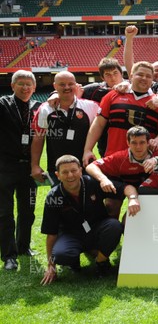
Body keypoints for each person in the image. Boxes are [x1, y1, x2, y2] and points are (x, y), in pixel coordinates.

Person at [40, 155, 140, 284]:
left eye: (74, 170)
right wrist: (51, 266)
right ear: (57, 175)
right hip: (71, 234)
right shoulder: (53, 197)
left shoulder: (93, 183)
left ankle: (101, 261)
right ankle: (73, 259)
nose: (70, 175)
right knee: (60, 255)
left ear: (81, 170)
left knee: (114, 226)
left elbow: (126, 187)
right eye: (65, 172)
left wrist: (132, 198)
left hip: (97, 229)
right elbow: (51, 234)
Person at [82, 61, 158, 165]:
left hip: (144, 163)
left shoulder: (157, 102)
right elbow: (98, 124)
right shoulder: (113, 95)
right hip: (113, 159)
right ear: (131, 76)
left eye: (148, 76)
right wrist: (88, 150)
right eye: (140, 74)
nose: (144, 78)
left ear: (152, 80)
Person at [0, 70, 41, 270]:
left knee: (28, 210)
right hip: (5, 167)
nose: (25, 88)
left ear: (34, 88)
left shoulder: (38, 107)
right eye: (21, 84)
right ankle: (9, 255)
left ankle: (24, 246)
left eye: (29, 85)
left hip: (29, 167)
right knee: (5, 212)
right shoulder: (3, 104)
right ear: (12, 86)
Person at [31, 71, 99, 185]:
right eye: (62, 84)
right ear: (55, 86)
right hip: (56, 170)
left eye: (70, 84)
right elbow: (38, 138)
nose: (67, 87)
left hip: (85, 167)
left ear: (76, 85)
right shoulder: (45, 109)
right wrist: (35, 165)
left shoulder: (91, 107)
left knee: (86, 201)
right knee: (59, 200)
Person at [81, 57, 125, 156]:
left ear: (121, 73)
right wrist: (55, 95)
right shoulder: (95, 90)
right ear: (102, 77)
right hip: (105, 139)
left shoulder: (132, 87)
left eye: (115, 73)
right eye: (108, 75)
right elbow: (70, 89)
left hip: (129, 136)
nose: (113, 77)